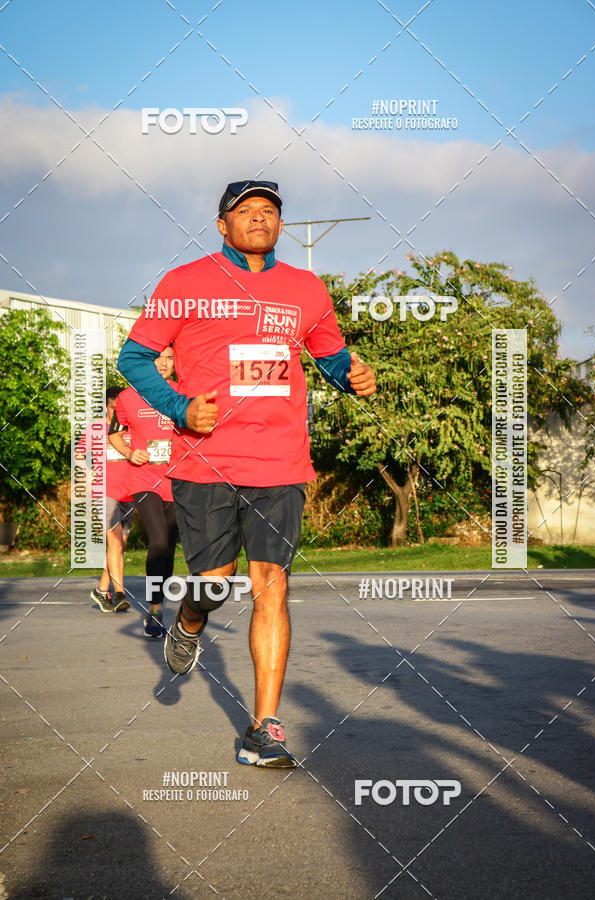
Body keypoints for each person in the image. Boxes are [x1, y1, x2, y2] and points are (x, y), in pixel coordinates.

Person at [118, 180, 376, 767]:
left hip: (281, 460)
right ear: (222, 224)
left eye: (270, 211)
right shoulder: (185, 283)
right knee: (213, 580)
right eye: (246, 211)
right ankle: (190, 618)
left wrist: (351, 376)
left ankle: (265, 728)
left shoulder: (306, 288)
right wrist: (181, 408)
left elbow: (330, 354)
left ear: (280, 225)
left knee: (271, 584)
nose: (260, 219)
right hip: (206, 460)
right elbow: (133, 357)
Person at [108, 348, 179, 637]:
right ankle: (155, 607)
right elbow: (113, 433)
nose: (164, 363)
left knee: (170, 547)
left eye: (170, 358)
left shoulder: (183, 392)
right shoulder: (128, 396)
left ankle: (159, 604)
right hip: (144, 479)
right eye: (158, 357)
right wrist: (129, 451)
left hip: (178, 480)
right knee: (159, 541)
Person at [88, 386, 135, 613]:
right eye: (113, 408)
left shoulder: (132, 429)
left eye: (120, 409)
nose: (117, 413)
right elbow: (79, 456)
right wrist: (87, 475)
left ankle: (100, 590)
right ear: (106, 407)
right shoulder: (96, 429)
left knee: (119, 547)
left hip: (130, 494)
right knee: (115, 543)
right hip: (105, 493)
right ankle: (119, 594)